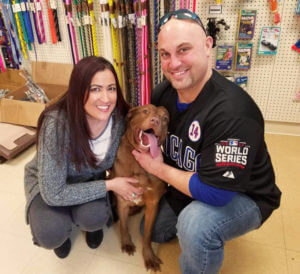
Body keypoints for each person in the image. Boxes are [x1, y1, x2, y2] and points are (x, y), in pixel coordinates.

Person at [132, 9, 281, 274]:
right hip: (192, 179)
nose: (173, 63)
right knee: (152, 229)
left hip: (243, 195)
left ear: (208, 45)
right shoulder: (162, 92)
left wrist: (157, 169)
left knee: (195, 225)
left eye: (184, 50)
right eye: (165, 54)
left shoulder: (234, 113)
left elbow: (217, 193)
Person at [24, 56, 143, 259]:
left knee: (95, 217)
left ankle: (88, 223)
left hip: (88, 180)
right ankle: (62, 232)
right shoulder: (56, 125)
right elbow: (53, 193)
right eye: (95, 89)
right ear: (78, 91)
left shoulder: (119, 119)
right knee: (50, 232)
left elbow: (142, 136)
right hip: (48, 185)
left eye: (111, 88)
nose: (106, 99)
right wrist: (112, 185)